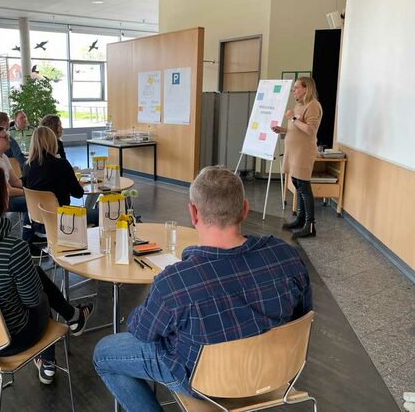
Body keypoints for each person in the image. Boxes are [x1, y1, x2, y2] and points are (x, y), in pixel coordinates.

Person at [93, 166, 312, 411]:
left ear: (193, 213)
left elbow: (143, 332)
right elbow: (302, 316)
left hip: (203, 384)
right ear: (244, 209)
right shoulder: (285, 256)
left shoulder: (175, 282)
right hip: (273, 371)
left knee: (103, 354)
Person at [0, 163, 93, 384]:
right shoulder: (13, 249)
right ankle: (50, 359)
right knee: (41, 294)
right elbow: (33, 301)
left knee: (34, 273)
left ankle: (74, 317)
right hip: (10, 340)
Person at [272, 77, 323, 239]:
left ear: (306, 89)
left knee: (304, 186)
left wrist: (293, 118)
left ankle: (310, 225)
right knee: (297, 183)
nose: (293, 91)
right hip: (293, 151)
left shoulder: (313, 105)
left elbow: (310, 130)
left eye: (296, 88)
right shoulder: (299, 105)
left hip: (303, 152)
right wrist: (283, 129)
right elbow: (296, 129)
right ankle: (300, 219)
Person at [22, 126, 98, 225]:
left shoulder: (26, 166)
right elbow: (78, 194)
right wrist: (76, 185)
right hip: (62, 217)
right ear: (53, 142)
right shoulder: (61, 164)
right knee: (100, 214)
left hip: (37, 219)